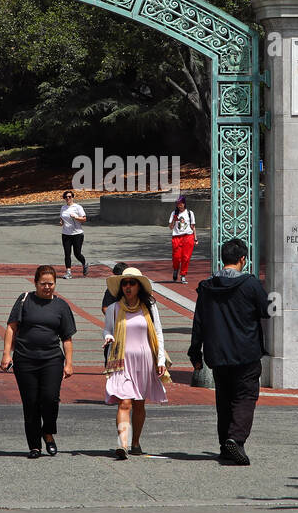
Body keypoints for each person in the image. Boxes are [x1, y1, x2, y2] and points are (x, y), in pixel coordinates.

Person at [187, 238, 270, 465]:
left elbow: (199, 322)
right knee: (245, 396)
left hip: (218, 354)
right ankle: (236, 439)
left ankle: (225, 445)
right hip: (246, 352)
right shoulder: (250, 284)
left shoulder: (207, 286)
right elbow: (266, 310)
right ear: (243, 259)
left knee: (224, 399)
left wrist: (195, 353)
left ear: (223, 259)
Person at [1, 265, 76, 459]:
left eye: (51, 284)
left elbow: (67, 338)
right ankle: (34, 446)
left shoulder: (61, 306)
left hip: (51, 359)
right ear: (35, 283)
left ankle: (48, 432)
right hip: (25, 359)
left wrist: (69, 363)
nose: (47, 287)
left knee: (50, 399)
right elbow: (11, 327)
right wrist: (6, 354)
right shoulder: (24, 300)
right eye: (43, 284)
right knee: (31, 403)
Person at [103, 268, 170, 459]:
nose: (128, 287)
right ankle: (122, 444)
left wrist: (160, 360)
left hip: (144, 361)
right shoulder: (114, 308)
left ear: (139, 286)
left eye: (132, 283)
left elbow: (158, 333)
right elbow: (107, 330)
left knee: (139, 404)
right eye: (125, 283)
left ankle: (135, 442)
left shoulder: (149, 308)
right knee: (124, 402)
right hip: (121, 361)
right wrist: (108, 337)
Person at [167, 195, 199, 283]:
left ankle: (183, 275)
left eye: (181, 204)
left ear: (184, 204)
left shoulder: (190, 213)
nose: (179, 205)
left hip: (188, 237)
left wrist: (195, 239)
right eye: (178, 204)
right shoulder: (174, 213)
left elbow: (193, 227)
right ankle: (175, 269)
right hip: (177, 237)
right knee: (176, 257)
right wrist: (174, 220)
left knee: (186, 257)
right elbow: (170, 227)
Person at [59, 190, 88, 279]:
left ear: (72, 197)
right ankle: (68, 272)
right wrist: (61, 222)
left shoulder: (78, 207)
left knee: (77, 253)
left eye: (69, 197)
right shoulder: (63, 208)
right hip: (66, 234)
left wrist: (76, 217)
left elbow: (84, 219)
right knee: (67, 253)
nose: (68, 198)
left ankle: (84, 263)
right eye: (66, 197)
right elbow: (62, 218)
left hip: (77, 234)